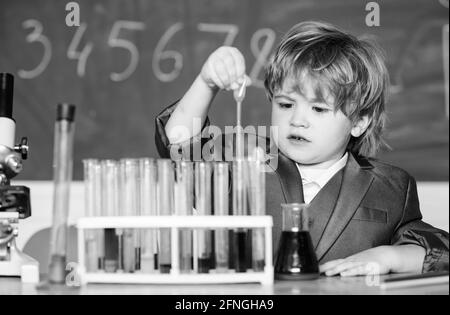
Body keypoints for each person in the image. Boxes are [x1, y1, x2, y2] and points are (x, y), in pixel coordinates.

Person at [155, 21, 449, 276]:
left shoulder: (391, 187)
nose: (297, 120)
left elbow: (440, 253)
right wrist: (207, 81)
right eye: (285, 104)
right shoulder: (245, 161)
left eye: (319, 109)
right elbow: (180, 145)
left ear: (359, 121)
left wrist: (388, 257)